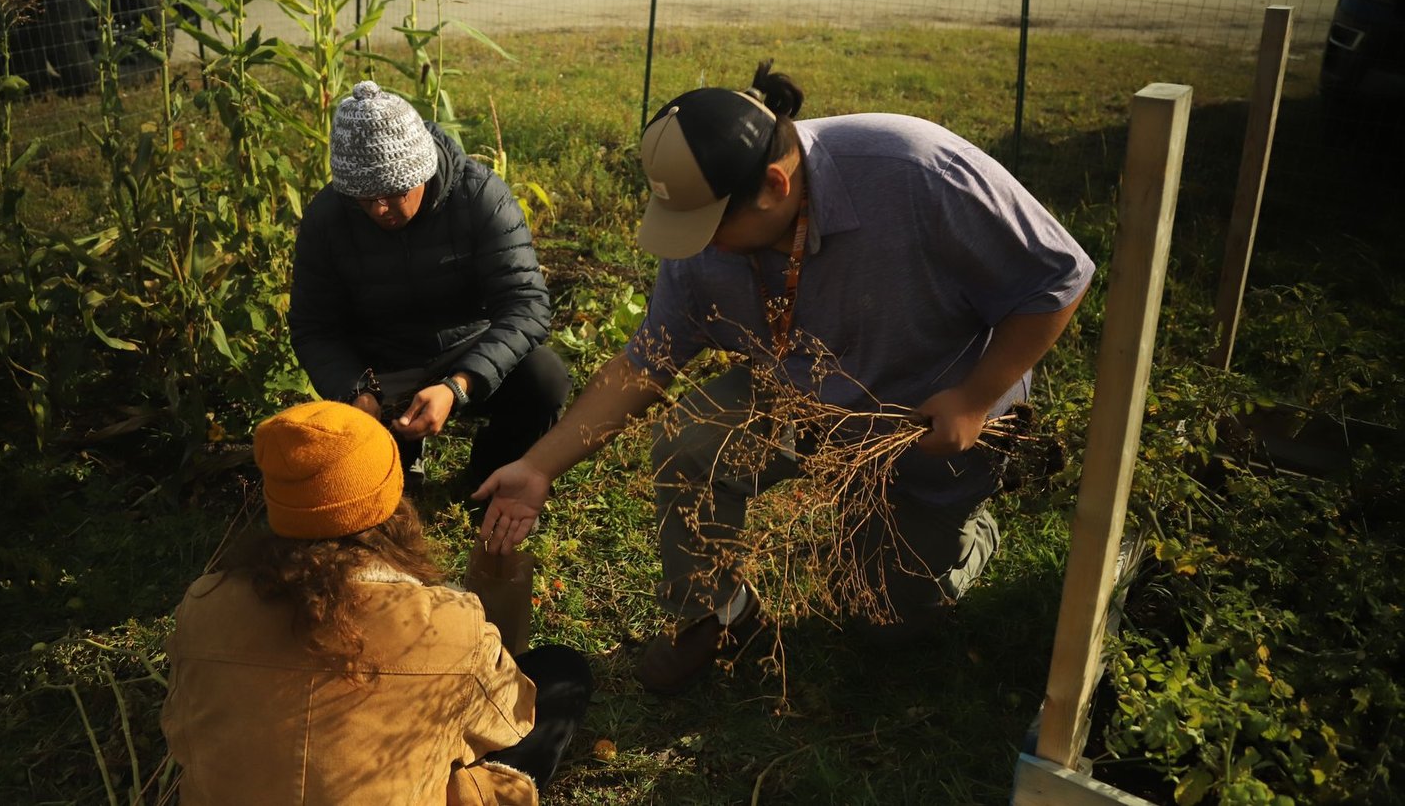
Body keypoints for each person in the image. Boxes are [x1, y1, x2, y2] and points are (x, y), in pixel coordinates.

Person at [474, 61, 1094, 694]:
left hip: (927, 418)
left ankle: (968, 528)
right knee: (690, 444)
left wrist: (975, 397)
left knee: (884, 622)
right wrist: (540, 466)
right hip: (798, 395)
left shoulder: (913, 170)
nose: (701, 246)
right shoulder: (705, 234)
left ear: (775, 184)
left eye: (713, 227)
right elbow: (644, 363)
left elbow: (1057, 276)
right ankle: (717, 617)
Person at [161, 400, 593, 804]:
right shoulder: (449, 622)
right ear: (392, 500)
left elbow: (181, 731)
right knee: (560, 671)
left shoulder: (204, 606)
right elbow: (508, 721)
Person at [289, 80, 571, 493]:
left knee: (545, 379)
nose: (380, 208)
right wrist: (357, 393)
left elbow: (526, 305)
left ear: (423, 171)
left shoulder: (481, 196)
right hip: (382, 367)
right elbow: (315, 327)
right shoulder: (328, 218)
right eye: (365, 199)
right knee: (374, 495)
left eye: (393, 193)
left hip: (468, 350)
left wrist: (458, 386)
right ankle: (397, 454)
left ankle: (490, 471)